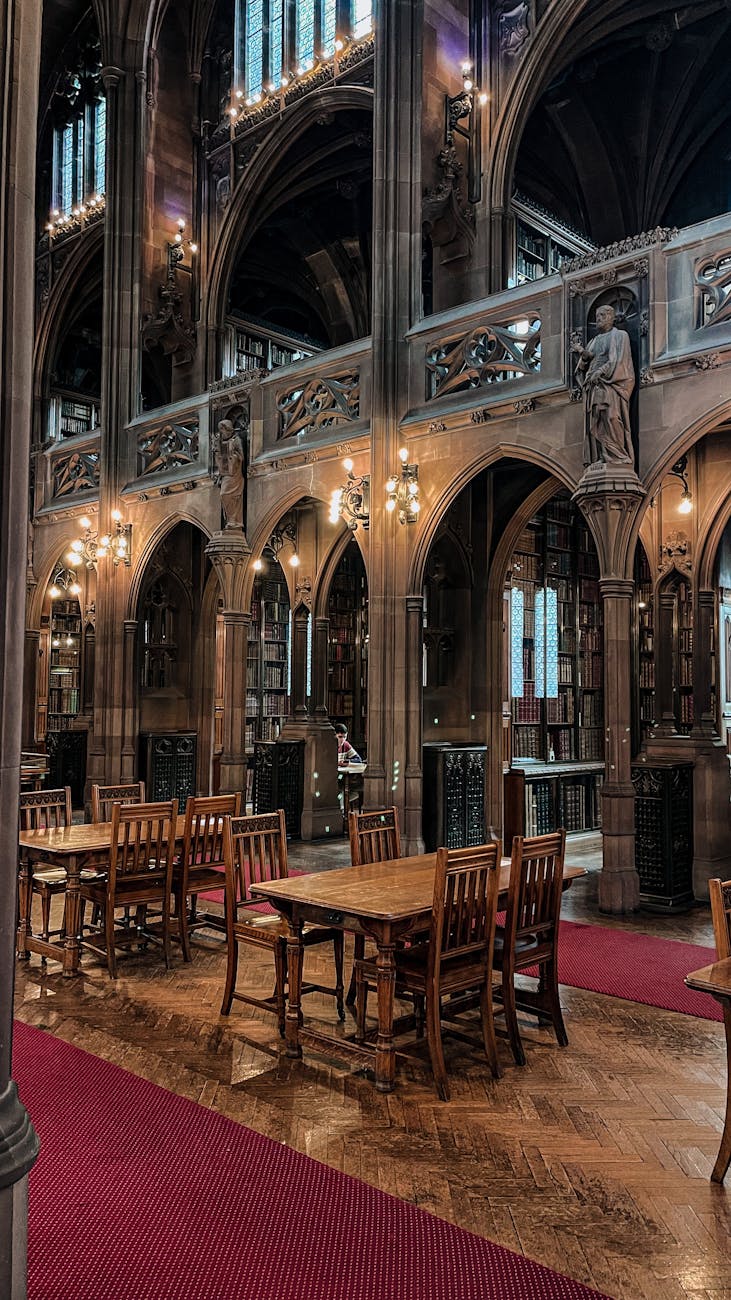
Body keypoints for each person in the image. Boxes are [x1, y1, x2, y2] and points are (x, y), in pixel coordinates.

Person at [575, 304, 635, 467]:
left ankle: (618, 455)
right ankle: (603, 456)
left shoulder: (620, 335)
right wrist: (582, 352)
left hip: (610, 384)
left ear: (611, 317)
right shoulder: (594, 341)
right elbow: (586, 362)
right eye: (597, 317)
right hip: (593, 386)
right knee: (597, 421)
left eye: (602, 315)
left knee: (612, 417)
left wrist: (600, 372)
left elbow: (619, 360)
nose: (598, 319)